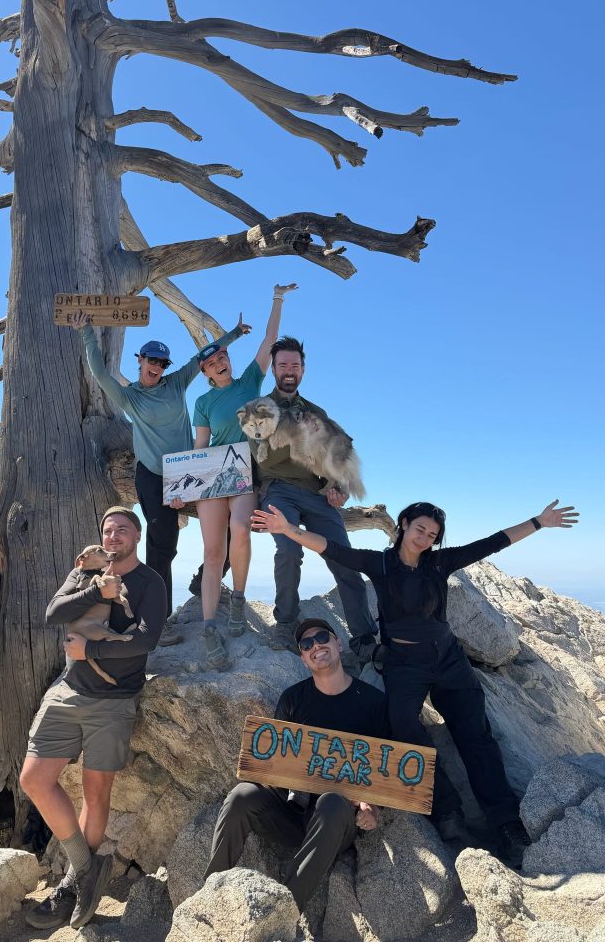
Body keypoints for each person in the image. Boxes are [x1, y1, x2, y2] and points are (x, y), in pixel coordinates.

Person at [252, 498, 579, 867]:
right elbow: (332, 548)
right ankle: (448, 811)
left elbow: (492, 542)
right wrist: (288, 530)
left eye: (432, 535)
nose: (425, 538)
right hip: (404, 665)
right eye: (420, 528)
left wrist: (538, 521)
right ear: (404, 524)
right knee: (404, 726)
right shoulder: (380, 564)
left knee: (476, 736)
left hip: (448, 660)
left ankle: (507, 825)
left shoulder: (439, 563)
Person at [20, 508, 167, 930]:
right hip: (68, 692)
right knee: (34, 779)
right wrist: (97, 592)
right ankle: (87, 868)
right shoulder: (85, 571)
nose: (114, 535)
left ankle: (69, 887)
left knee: (95, 794)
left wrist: (92, 651)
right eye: (107, 530)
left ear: (137, 536)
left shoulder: (150, 582)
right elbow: (53, 612)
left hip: (113, 700)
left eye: (122, 529)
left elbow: (147, 639)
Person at [71, 311, 249, 644]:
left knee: (232, 523)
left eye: (163, 363)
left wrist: (235, 333)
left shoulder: (176, 382)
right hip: (153, 476)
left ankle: (203, 581)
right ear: (140, 360)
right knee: (163, 547)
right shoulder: (130, 397)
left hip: (189, 471)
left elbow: (202, 357)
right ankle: (157, 622)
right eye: (152, 360)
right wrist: (86, 332)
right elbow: (100, 373)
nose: (157, 366)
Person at [204, 618, 384, 912]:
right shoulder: (292, 700)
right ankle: (209, 898)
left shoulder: (373, 702)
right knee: (241, 796)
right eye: (306, 644)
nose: (316, 646)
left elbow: (387, 770)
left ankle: (286, 910)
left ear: (338, 643)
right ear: (303, 657)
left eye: (322, 637)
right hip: (293, 813)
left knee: (332, 802)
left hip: (336, 821)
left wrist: (373, 808)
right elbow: (278, 765)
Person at [187, 283, 298, 669]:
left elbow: (269, 340)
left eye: (224, 356)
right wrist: (186, 487)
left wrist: (277, 299)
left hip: (243, 470)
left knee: (241, 528)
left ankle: (237, 599)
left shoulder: (250, 381)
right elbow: (200, 446)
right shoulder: (203, 402)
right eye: (213, 362)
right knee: (212, 552)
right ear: (205, 371)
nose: (221, 362)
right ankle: (208, 626)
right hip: (214, 473)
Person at [249, 336, 376, 654]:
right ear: (274, 370)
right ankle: (285, 621)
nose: (289, 370)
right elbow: (263, 459)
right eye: (283, 365)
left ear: (303, 370)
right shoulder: (258, 409)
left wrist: (339, 487)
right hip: (278, 490)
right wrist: (298, 435)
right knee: (289, 550)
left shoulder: (316, 412)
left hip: (317, 495)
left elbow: (336, 455)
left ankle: (364, 639)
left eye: (295, 365)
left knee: (344, 559)